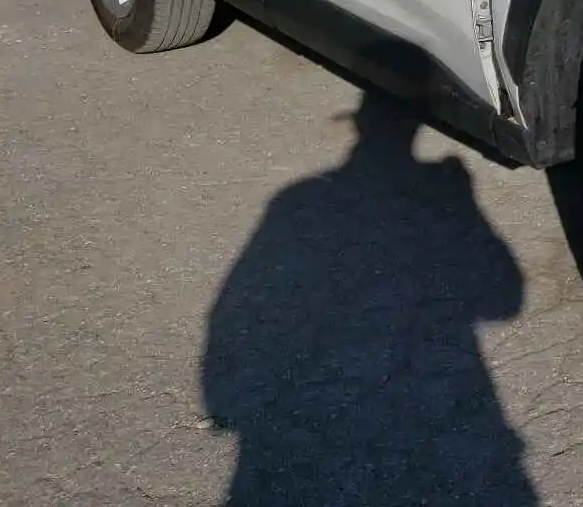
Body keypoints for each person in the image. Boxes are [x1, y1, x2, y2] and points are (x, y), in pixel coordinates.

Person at [202, 94, 534, 505]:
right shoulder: (442, 184)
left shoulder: (296, 199)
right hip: (438, 414)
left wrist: (222, 400)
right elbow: (505, 298)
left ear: (358, 127)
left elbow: (234, 307)